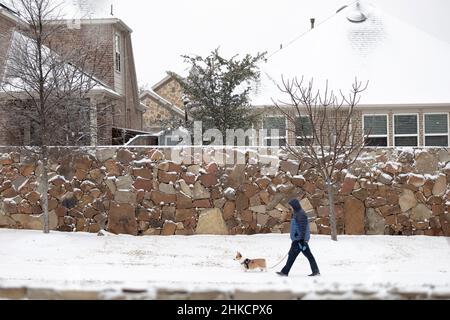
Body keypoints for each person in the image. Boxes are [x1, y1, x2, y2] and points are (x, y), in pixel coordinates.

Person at [276, 198, 320, 277]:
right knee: (306, 256)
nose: (290, 207)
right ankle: (315, 271)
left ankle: (285, 272)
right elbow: (297, 226)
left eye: (291, 206)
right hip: (299, 239)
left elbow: (303, 227)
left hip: (299, 240)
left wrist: (302, 240)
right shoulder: (297, 213)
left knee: (292, 256)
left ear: (295, 206)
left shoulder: (300, 214)